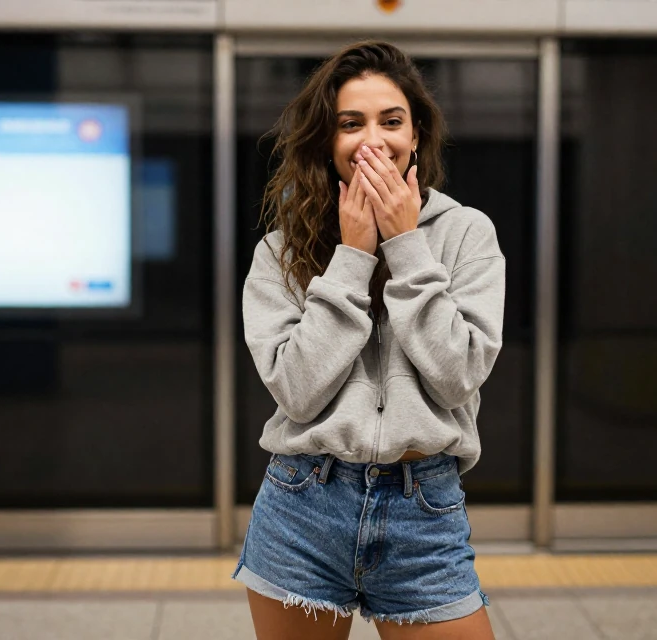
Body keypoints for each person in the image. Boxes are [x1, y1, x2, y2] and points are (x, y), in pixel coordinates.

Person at [234, 40, 505, 640]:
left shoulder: (466, 234)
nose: (372, 140)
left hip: (423, 508)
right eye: (350, 124)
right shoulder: (280, 251)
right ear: (326, 143)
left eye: (392, 120)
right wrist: (353, 256)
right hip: (303, 503)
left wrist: (406, 245)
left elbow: (458, 373)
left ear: (416, 136)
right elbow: (298, 391)